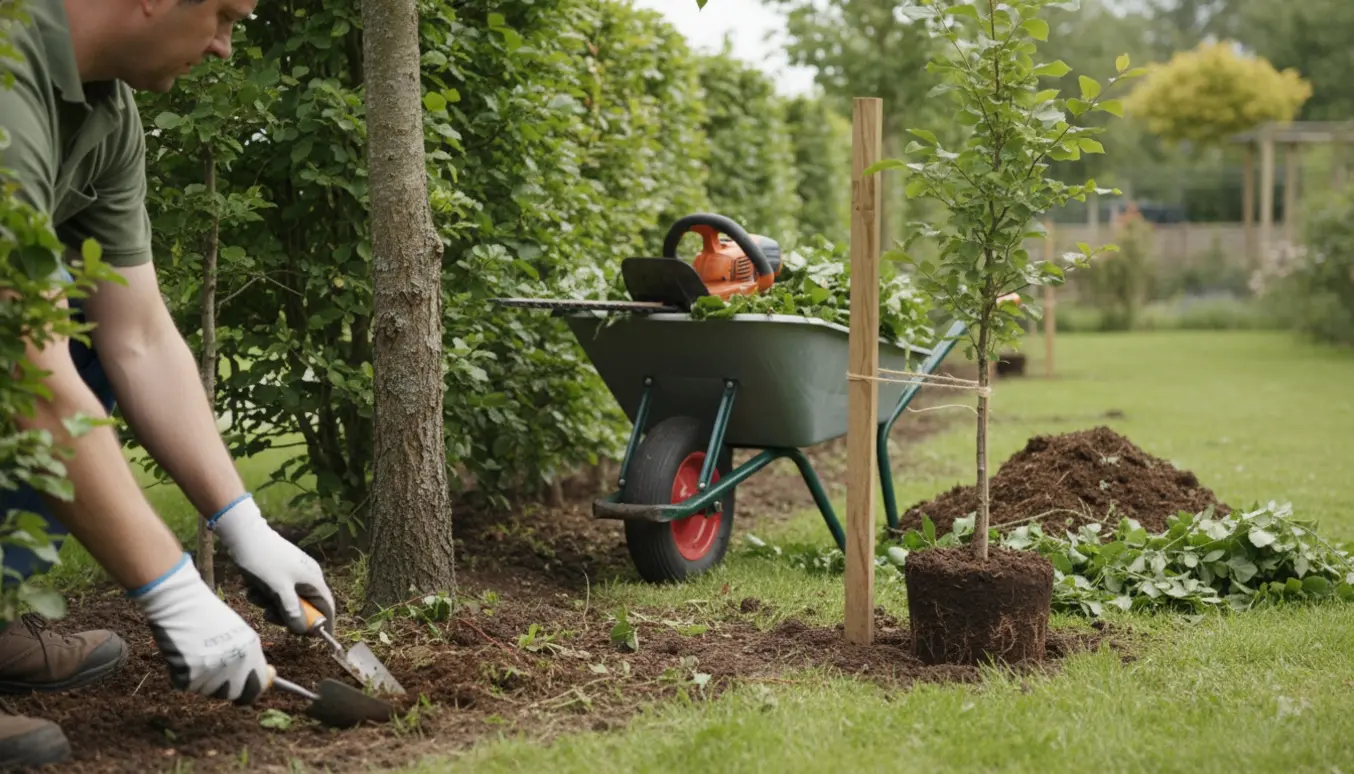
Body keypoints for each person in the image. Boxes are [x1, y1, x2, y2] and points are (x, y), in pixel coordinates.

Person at [0, 0, 336, 766]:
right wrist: (173, 592)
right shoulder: (5, 66)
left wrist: (243, 524)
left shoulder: (105, 115)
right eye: (223, 14)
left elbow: (140, 336)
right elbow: (23, 365)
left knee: (86, 321)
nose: (223, 47)